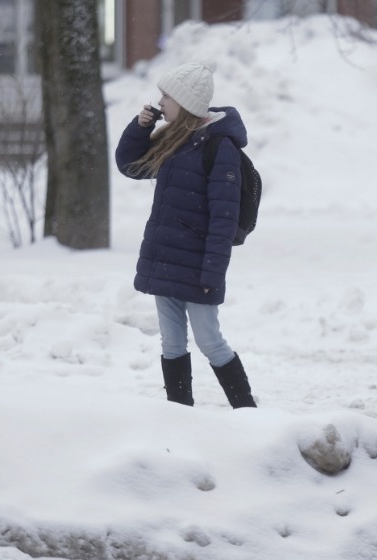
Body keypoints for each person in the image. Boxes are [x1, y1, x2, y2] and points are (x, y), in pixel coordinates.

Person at [115, 60, 256, 409]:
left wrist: (212, 272)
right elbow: (130, 165)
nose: (160, 102)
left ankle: (248, 413)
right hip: (166, 259)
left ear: (186, 102)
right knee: (171, 344)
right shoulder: (174, 140)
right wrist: (139, 127)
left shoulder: (217, 148)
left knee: (210, 341)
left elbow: (223, 219)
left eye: (167, 96)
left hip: (197, 266)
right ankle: (179, 416)